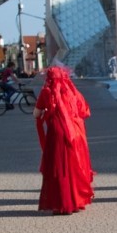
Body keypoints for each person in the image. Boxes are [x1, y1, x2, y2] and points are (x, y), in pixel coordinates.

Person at [33, 67, 94, 215]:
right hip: (75, 132)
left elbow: (36, 113)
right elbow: (84, 110)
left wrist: (46, 112)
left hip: (57, 132)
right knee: (74, 167)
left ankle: (62, 203)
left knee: (59, 168)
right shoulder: (73, 91)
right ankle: (77, 201)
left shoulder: (47, 92)